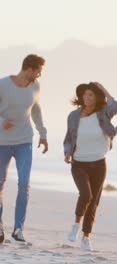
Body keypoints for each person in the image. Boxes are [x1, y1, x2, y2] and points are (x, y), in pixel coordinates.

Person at [64, 82, 117, 251]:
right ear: (81, 97)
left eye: (91, 95)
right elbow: (68, 138)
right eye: (85, 94)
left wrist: (103, 88)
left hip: (99, 163)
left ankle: (86, 237)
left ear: (97, 97)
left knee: (94, 201)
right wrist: (67, 151)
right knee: (86, 194)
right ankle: (75, 225)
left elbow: (116, 105)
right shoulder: (73, 116)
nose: (88, 98)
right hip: (79, 163)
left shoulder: (103, 113)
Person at [0, 54, 48, 243]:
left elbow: (35, 109)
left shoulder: (35, 87)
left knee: (24, 183)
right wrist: (2, 122)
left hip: (24, 141)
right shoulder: (3, 84)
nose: (39, 75)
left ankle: (18, 228)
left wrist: (43, 133)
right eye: (38, 71)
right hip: (2, 142)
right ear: (30, 68)